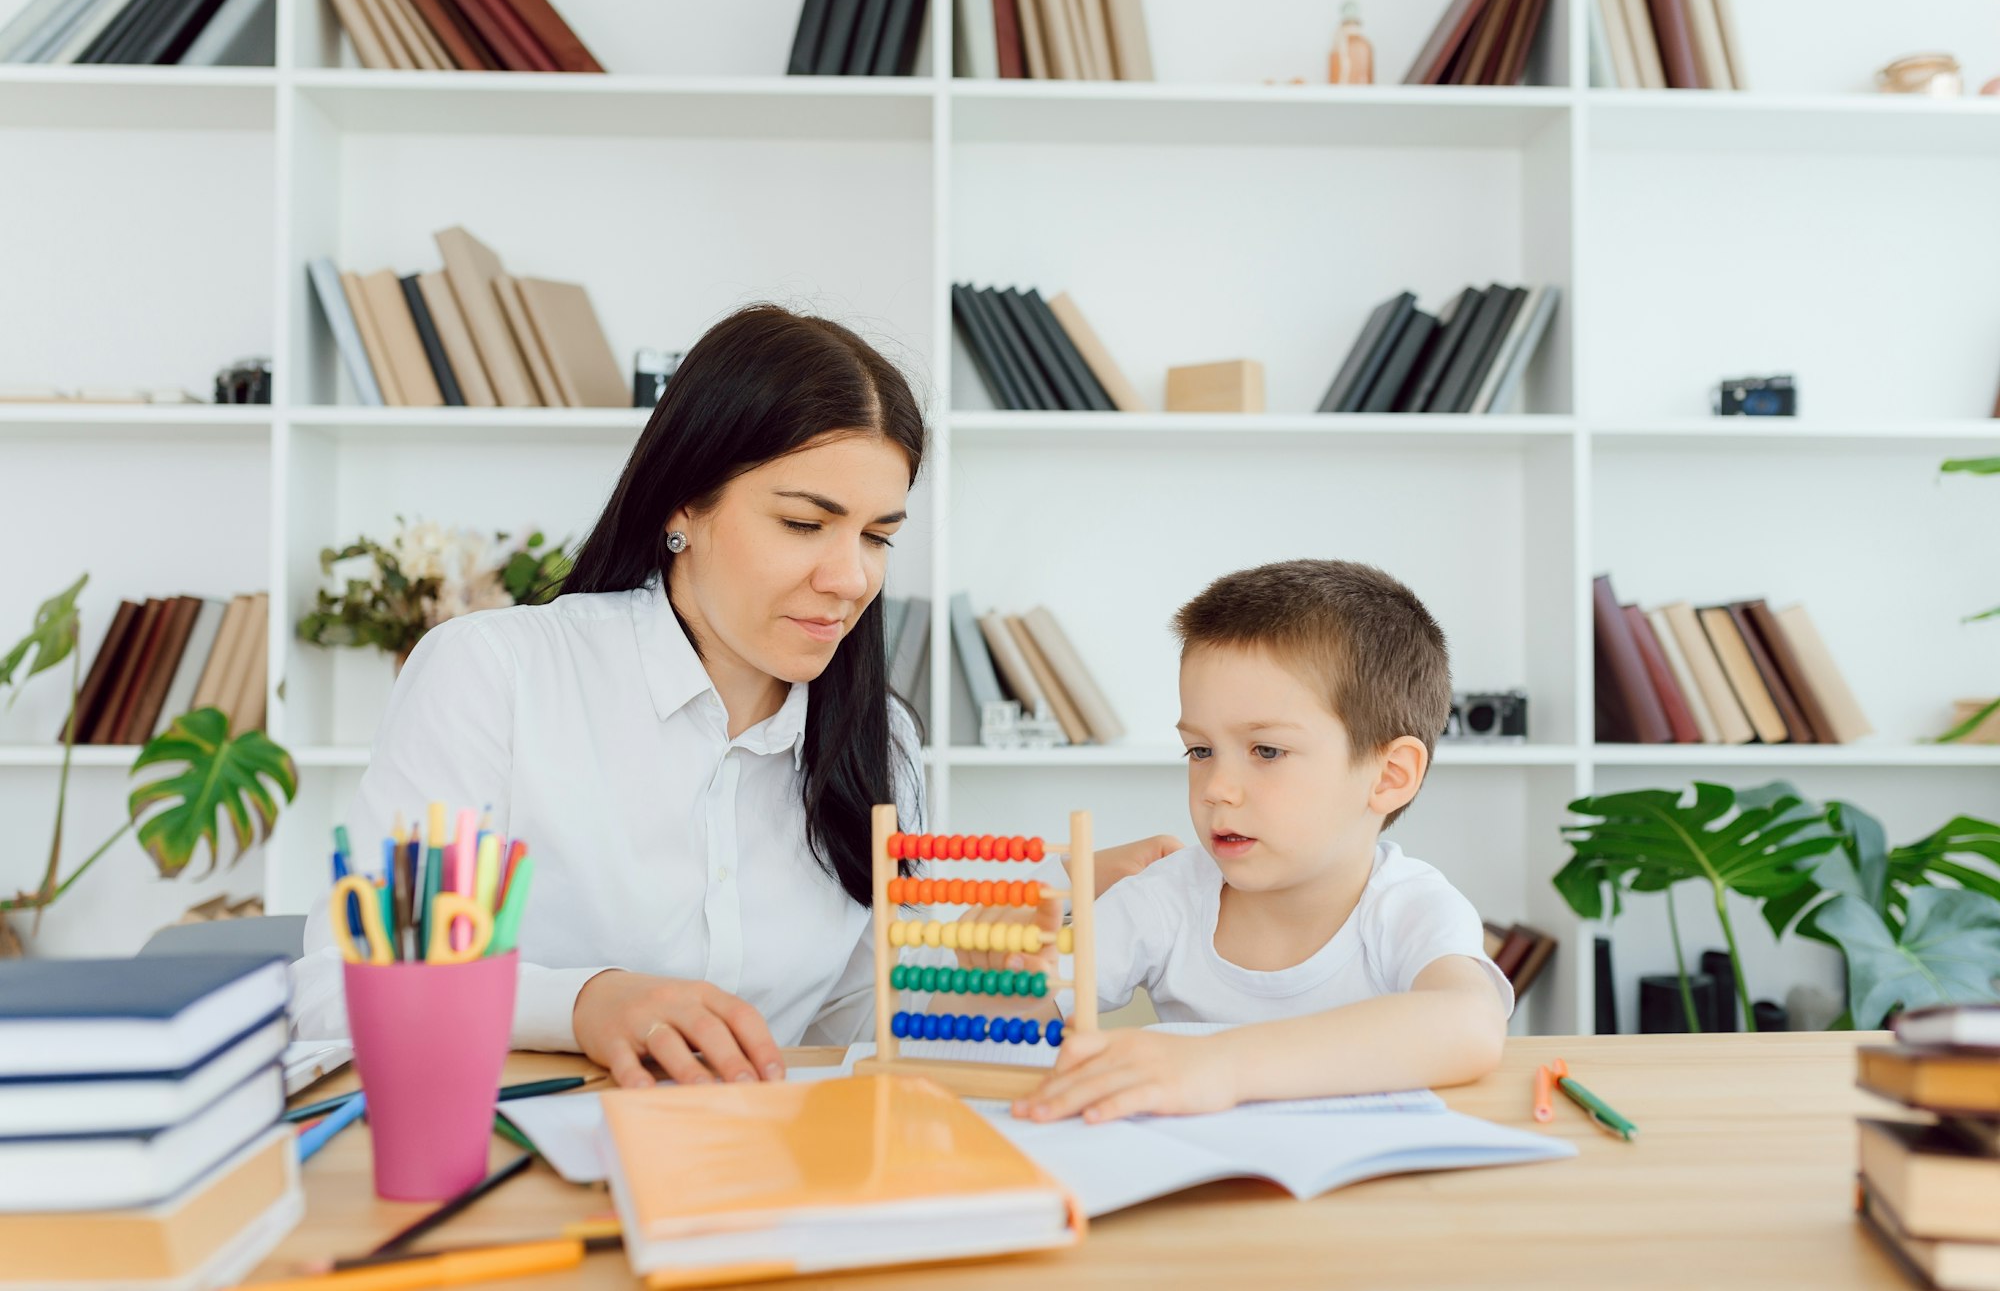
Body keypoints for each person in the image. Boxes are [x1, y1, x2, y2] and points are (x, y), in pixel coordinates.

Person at [290, 304, 1172, 1090]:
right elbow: (343, 984)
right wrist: (589, 1004)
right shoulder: (494, 675)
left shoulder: (878, 740)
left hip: (761, 1184)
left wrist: (1029, 929)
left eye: (878, 536)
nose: (849, 577)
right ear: (684, 505)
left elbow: (859, 1033)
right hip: (516, 1170)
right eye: (803, 523)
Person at [1012, 559, 1511, 1123]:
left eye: (1266, 751)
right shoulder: (1167, 898)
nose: (1217, 790)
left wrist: (1222, 1066)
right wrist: (1003, 979)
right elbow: (1010, 1026)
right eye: (1200, 751)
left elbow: (1470, 1025)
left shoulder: (1408, 906)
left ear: (1389, 776)